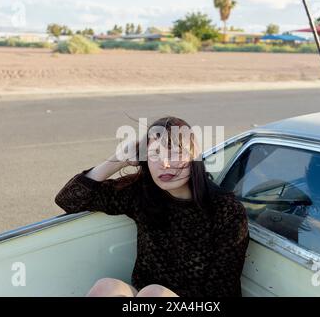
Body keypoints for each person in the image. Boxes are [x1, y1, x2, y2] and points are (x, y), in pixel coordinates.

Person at [54, 116, 249, 297]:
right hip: (145, 296)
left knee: (154, 293)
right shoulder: (143, 193)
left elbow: (222, 291)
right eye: (155, 154)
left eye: (175, 152)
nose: (164, 163)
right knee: (107, 288)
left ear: (194, 157)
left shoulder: (225, 209)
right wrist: (117, 159)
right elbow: (68, 199)